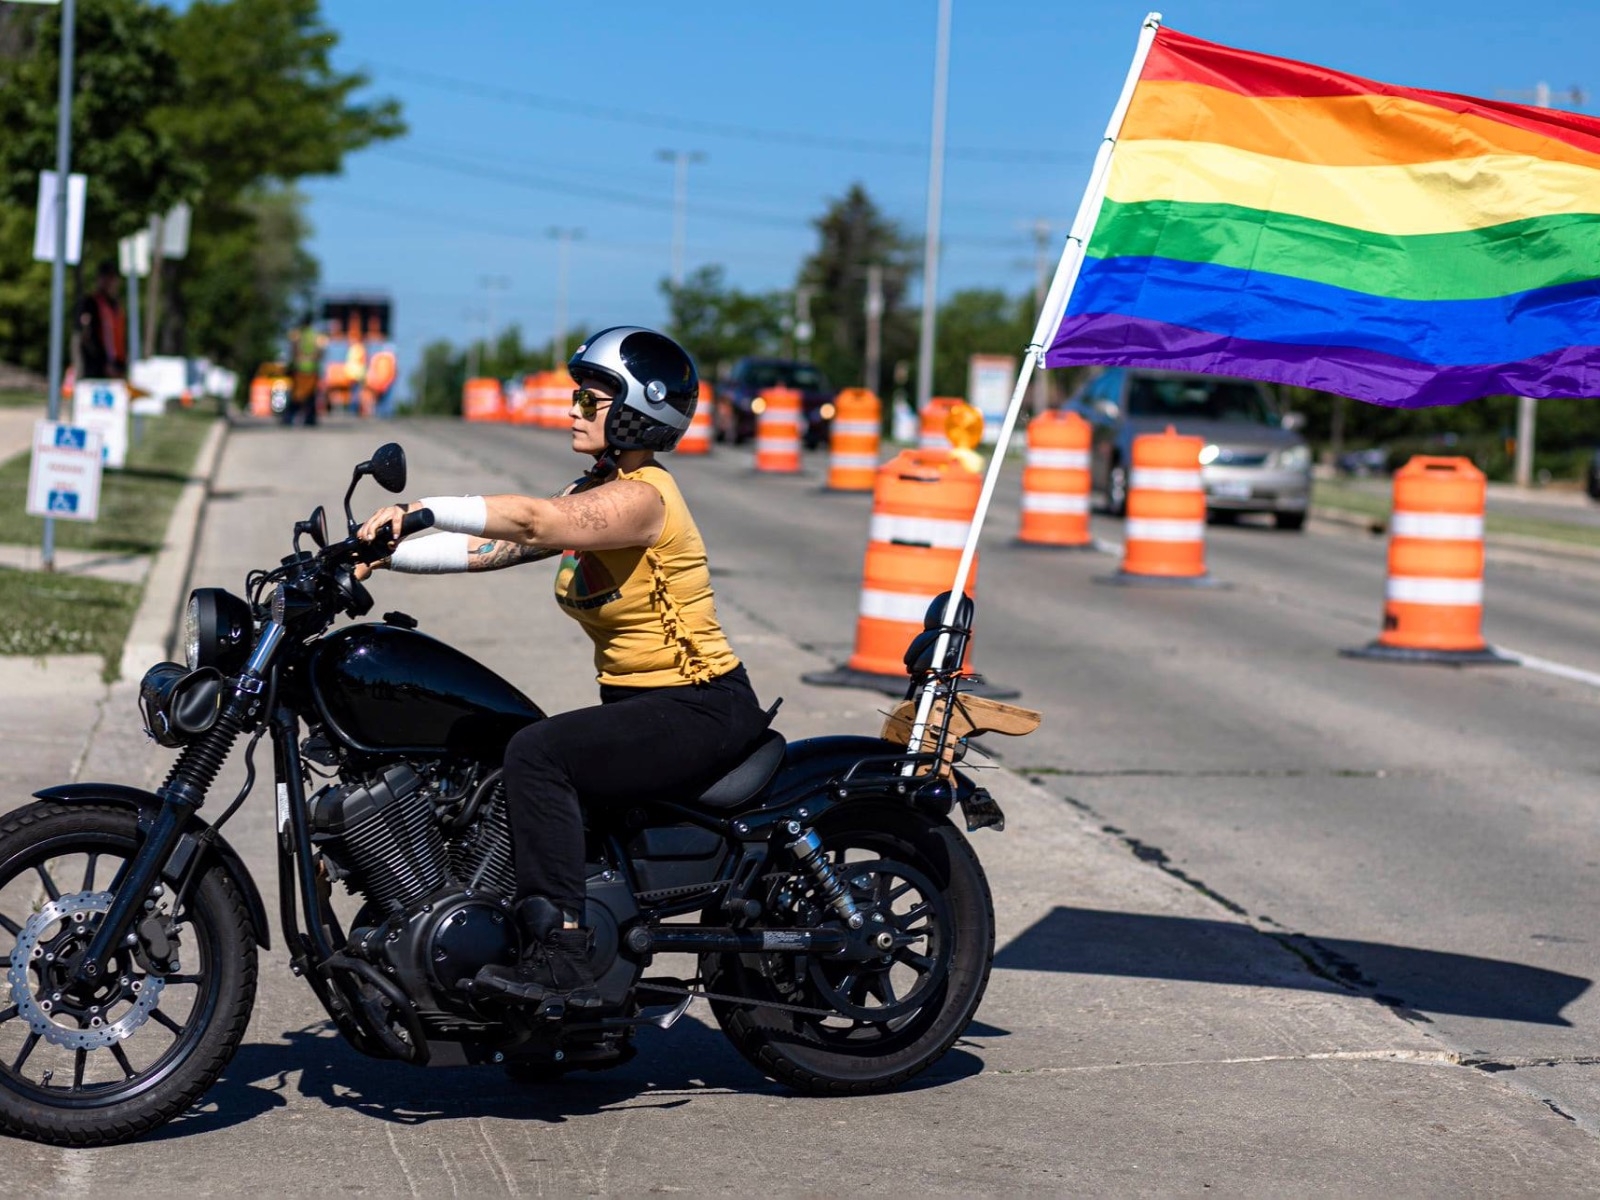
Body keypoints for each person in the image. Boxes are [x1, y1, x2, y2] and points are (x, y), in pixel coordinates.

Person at [357, 327, 772, 1010]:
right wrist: (378, 554)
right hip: (645, 708)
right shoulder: (597, 488)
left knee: (540, 754)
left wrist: (422, 508)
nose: (573, 408)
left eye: (591, 397)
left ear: (640, 408)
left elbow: (531, 523)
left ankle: (562, 955)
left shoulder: (643, 498)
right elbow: (488, 552)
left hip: (700, 706)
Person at [76, 262, 127, 380]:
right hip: (98, 368)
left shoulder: (117, 306)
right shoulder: (91, 303)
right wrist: (103, 363)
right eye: (107, 278)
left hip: (118, 366)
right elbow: (88, 336)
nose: (111, 283)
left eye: (113, 279)